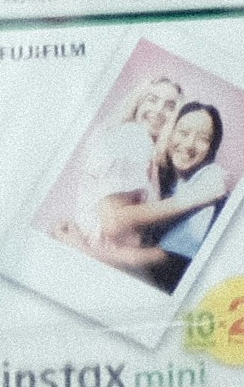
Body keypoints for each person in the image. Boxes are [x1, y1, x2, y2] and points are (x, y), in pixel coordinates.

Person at [58, 86, 232, 291]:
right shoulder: (163, 174)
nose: (189, 143)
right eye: (183, 132)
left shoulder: (209, 179)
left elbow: (162, 258)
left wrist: (81, 250)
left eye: (203, 139)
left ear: (212, 149)